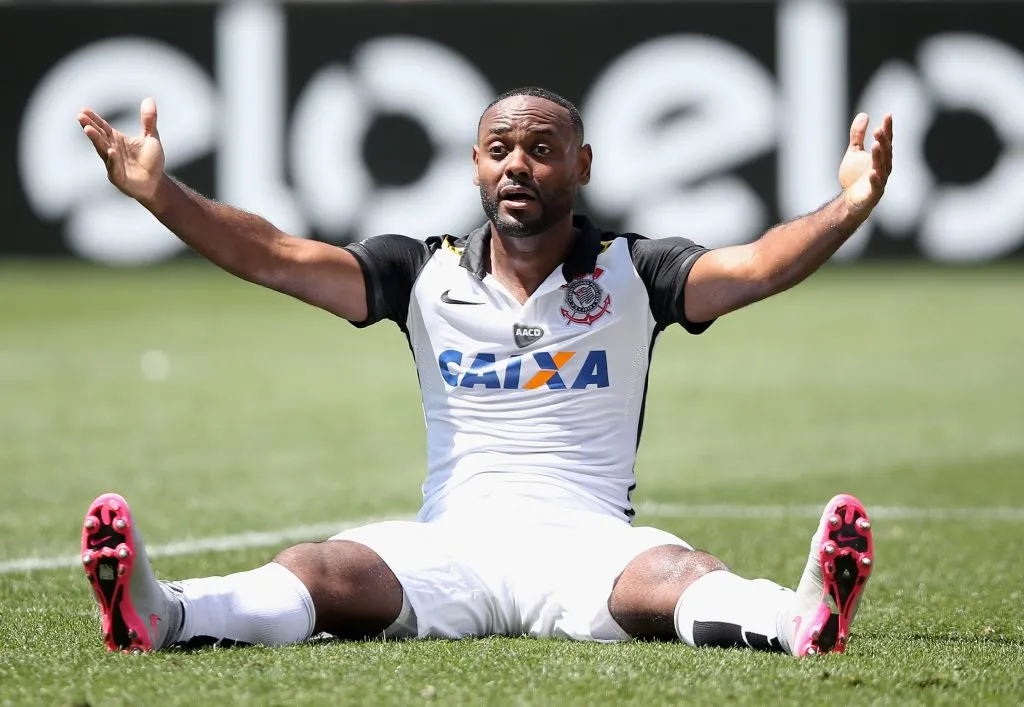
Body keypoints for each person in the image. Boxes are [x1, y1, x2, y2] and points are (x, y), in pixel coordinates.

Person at [76, 86, 891, 657]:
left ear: (583, 164)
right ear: (473, 165)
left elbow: (754, 267)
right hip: (449, 547)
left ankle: (801, 617)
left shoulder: (638, 270)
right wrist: (162, 196)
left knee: (684, 575)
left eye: (542, 150)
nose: (518, 166)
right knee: (315, 568)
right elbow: (278, 257)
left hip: (588, 547)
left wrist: (848, 204)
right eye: (500, 150)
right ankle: (163, 612)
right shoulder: (419, 270)